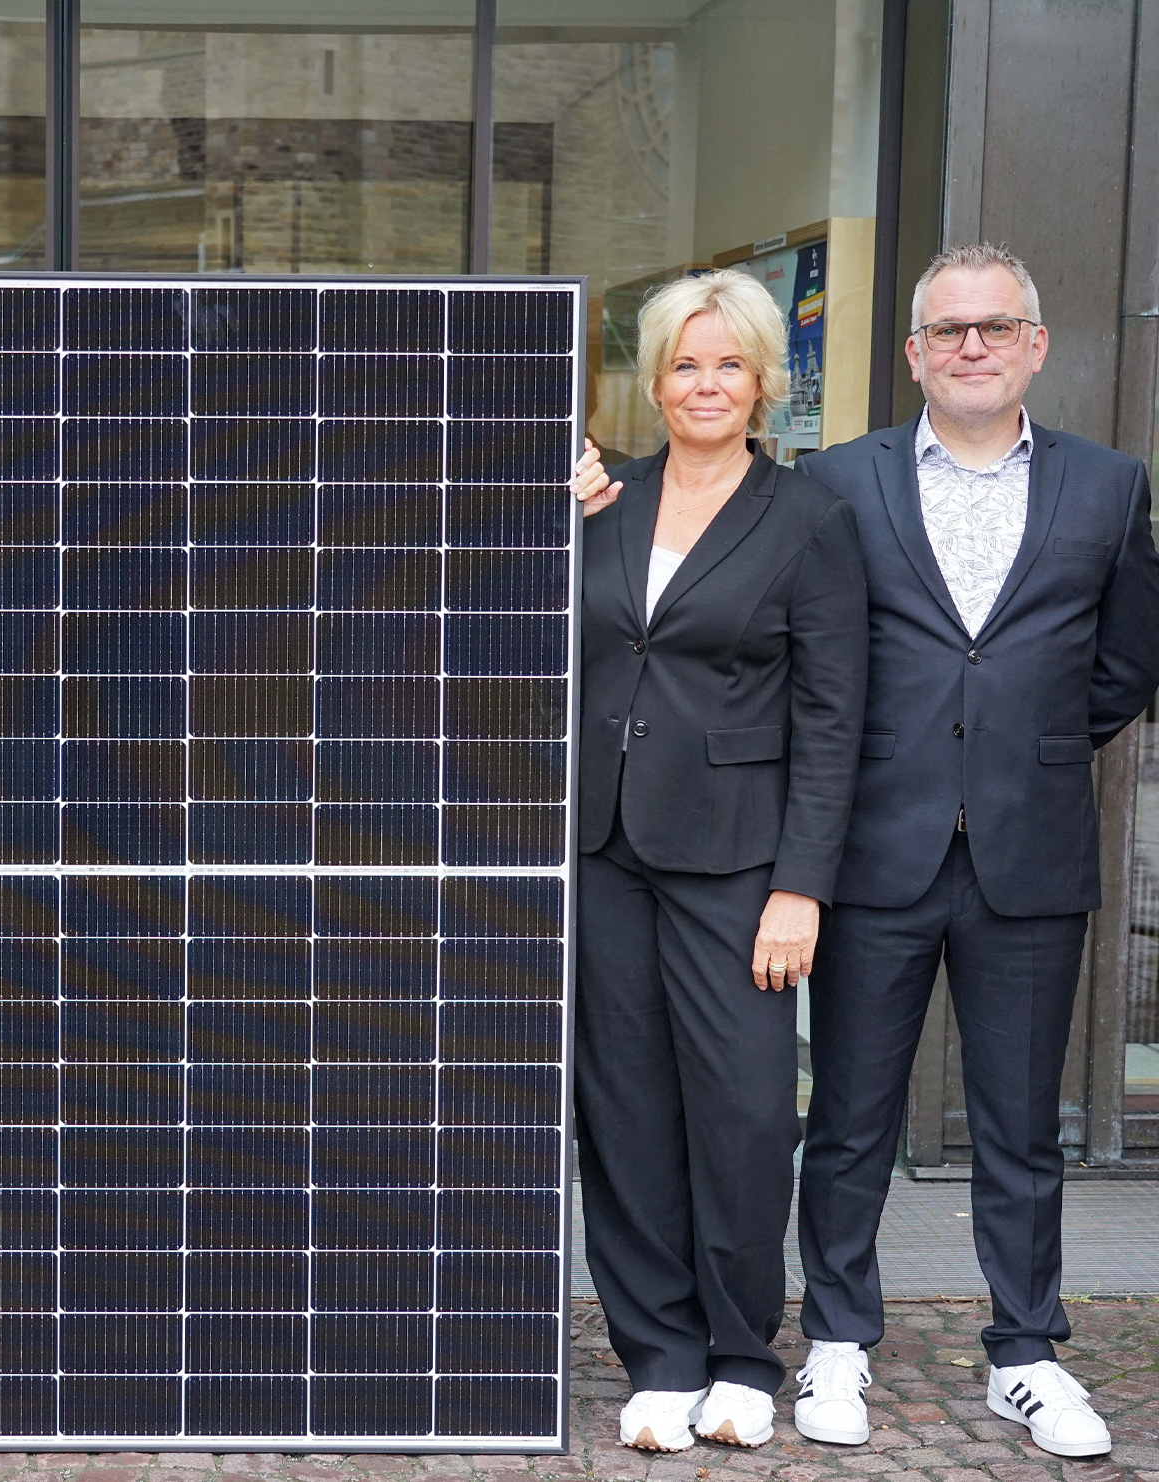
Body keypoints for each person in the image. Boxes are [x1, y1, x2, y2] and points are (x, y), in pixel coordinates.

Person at [788, 244, 1159, 1459]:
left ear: (1033, 345)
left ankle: (1023, 1352)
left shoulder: (1107, 485)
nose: (971, 347)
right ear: (912, 353)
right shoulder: (835, 481)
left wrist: (1027, 745)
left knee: (1016, 1125)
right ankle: (835, 1337)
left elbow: (1126, 660)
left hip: (1028, 847)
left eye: (995, 327)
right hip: (871, 850)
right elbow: (811, 656)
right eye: (947, 330)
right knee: (849, 1118)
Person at [564, 269, 868, 1454]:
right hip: (601, 849)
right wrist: (538, 512)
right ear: (653, 382)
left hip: (738, 862)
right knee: (622, 1110)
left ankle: (741, 1353)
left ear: (760, 382)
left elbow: (832, 718)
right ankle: (658, 1355)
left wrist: (801, 885)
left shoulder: (807, 517)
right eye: (683, 364)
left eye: (726, 364)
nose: (703, 384)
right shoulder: (600, 500)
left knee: (743, 1112)